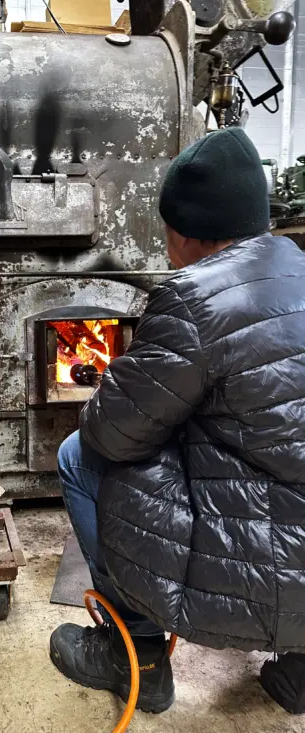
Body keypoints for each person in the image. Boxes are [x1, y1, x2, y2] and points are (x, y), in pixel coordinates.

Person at [50, 127, 305, 716]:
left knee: (78, 457)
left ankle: (134, 651)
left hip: (263, 563)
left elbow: (112, 431)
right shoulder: (296, 263)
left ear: (184, 232)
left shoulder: (194, 299)